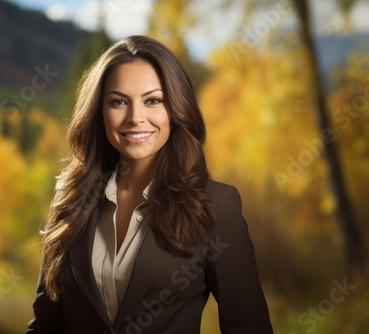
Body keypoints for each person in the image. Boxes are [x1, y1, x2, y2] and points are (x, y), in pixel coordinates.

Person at [26, 35, 273, 334]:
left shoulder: (217, 206)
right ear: (99, 113)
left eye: (152, 100)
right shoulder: (70, 199)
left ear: (175, 110)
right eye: (119, 102)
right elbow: (45, 326)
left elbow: (249, 328)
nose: (135, 118)